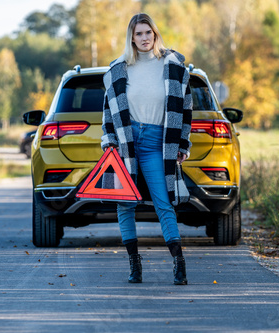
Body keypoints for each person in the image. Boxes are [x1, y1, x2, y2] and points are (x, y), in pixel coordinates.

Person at [101, 13, 193, 285]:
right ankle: (134, 266)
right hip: (127, 142)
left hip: (156, 141)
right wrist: (110, 143)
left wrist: (183, 143)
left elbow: (185, 109)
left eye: (148, 33)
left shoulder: (172, 66)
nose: (143, 38)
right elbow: (108, 112)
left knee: (163, 203)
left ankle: (179, 264)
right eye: (138, 33)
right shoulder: (118, 69)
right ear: (131, 37)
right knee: (125, 204)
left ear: (155, 34)